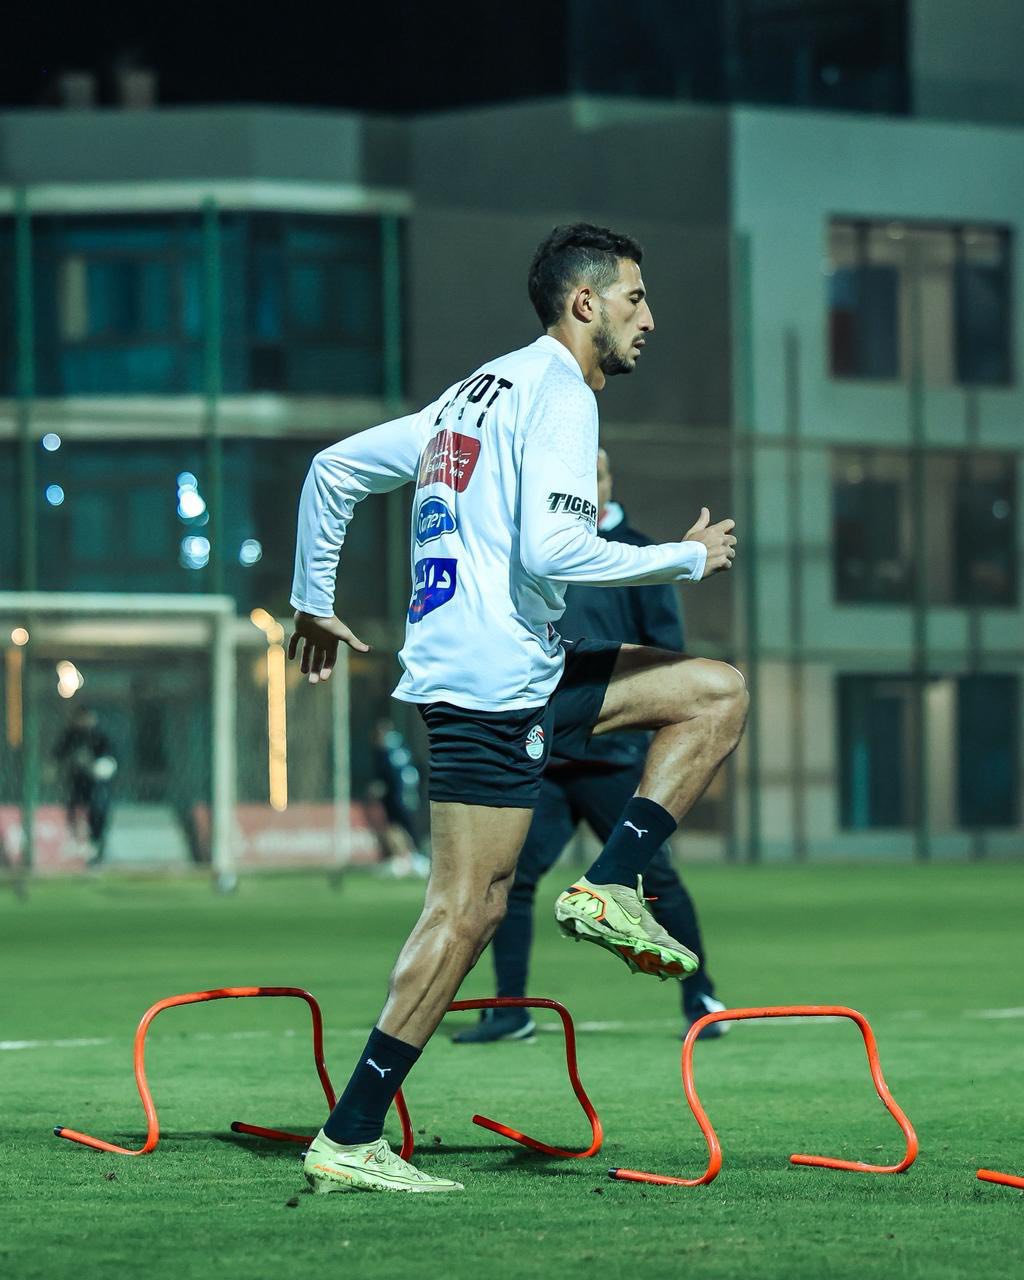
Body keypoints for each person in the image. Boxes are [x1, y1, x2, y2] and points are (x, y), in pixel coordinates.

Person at [289, 222, 747, 1194]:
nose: (648, 318)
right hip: (491, 683)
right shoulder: (561, 393)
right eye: (634, 297)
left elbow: (333, 469)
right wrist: (683, 556)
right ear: (585, 303)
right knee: (466, 912)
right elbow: (553, 549)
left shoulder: (473, 392)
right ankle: (351, 1132)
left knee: (713, 691)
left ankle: (610, 881)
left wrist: (312, 600)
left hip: (507, 667)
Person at [453, 448, 728, 1046]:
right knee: (509, 880)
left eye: (595, 473)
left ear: (609, 480)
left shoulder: (642, 555)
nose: (585, 483)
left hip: (613, 760)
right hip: (547, 757)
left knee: (654, 877)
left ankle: (701, 996)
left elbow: (670, 655)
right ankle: (510, 1010)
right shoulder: (541, 550)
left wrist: (637, 726)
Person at [53, 706, 118, 867]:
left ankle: (96, 846)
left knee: (98, 810)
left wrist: (97, 766)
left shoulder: (100, 736)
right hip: (77, 782)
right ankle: (75, 841)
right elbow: (58, 753)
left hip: (97, 784)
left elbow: (110, 758)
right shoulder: (71, 736)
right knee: (73, 809)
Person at [368, 718, 428, 877]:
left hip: (397, 794)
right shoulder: (402, 746)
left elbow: (387, 773)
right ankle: (410, 857)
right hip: (409, 793)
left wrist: (381, 785)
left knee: (396, 826)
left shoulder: (385, 750)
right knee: (404, 825)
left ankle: (407, 858)